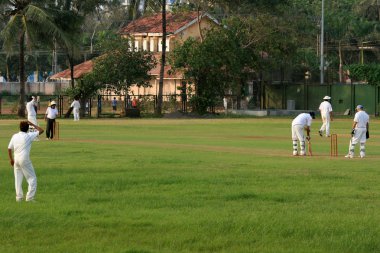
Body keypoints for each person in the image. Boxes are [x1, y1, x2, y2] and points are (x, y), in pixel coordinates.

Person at [8, 121, 44, 202]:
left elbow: (9, 148)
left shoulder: (15, 136)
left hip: (16, 159)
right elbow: (41, 130)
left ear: (19, 128)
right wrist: (32, 124)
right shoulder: (29, 135)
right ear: (28, 129)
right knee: (32, 178)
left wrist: (11, 159)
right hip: (24, 159)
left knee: (18, 179)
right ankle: (30, 198)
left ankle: (19, 198)